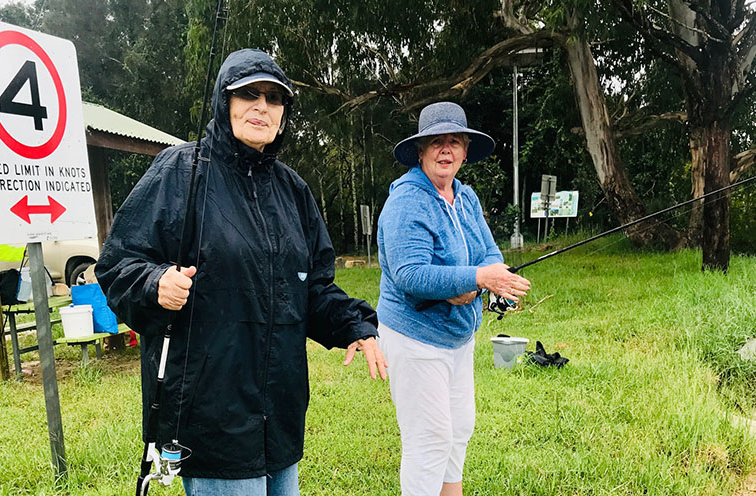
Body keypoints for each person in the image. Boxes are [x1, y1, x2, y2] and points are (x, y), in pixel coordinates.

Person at [96, 48, 387, 496]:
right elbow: (118, 264)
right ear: (224, 101)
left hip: (280, 414)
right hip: (209, 414)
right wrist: (156, 283)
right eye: (248, 94)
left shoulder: (293, 191)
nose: (261, 107)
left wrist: (355, 325)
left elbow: (312, 288)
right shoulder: (179, 171)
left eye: (274, 98)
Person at [376, 102, 531, 496]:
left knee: (459, 428)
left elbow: (489, 252)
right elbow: (410, 274)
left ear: (464, 152)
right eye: (436, 142)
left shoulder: (465, 197)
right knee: (429, 438)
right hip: (415, 337)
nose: (446, 149)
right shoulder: (406, 202)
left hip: (458, 337)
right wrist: (477, 277)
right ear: (421, 151)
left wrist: (495, 279)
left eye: (455, 142)